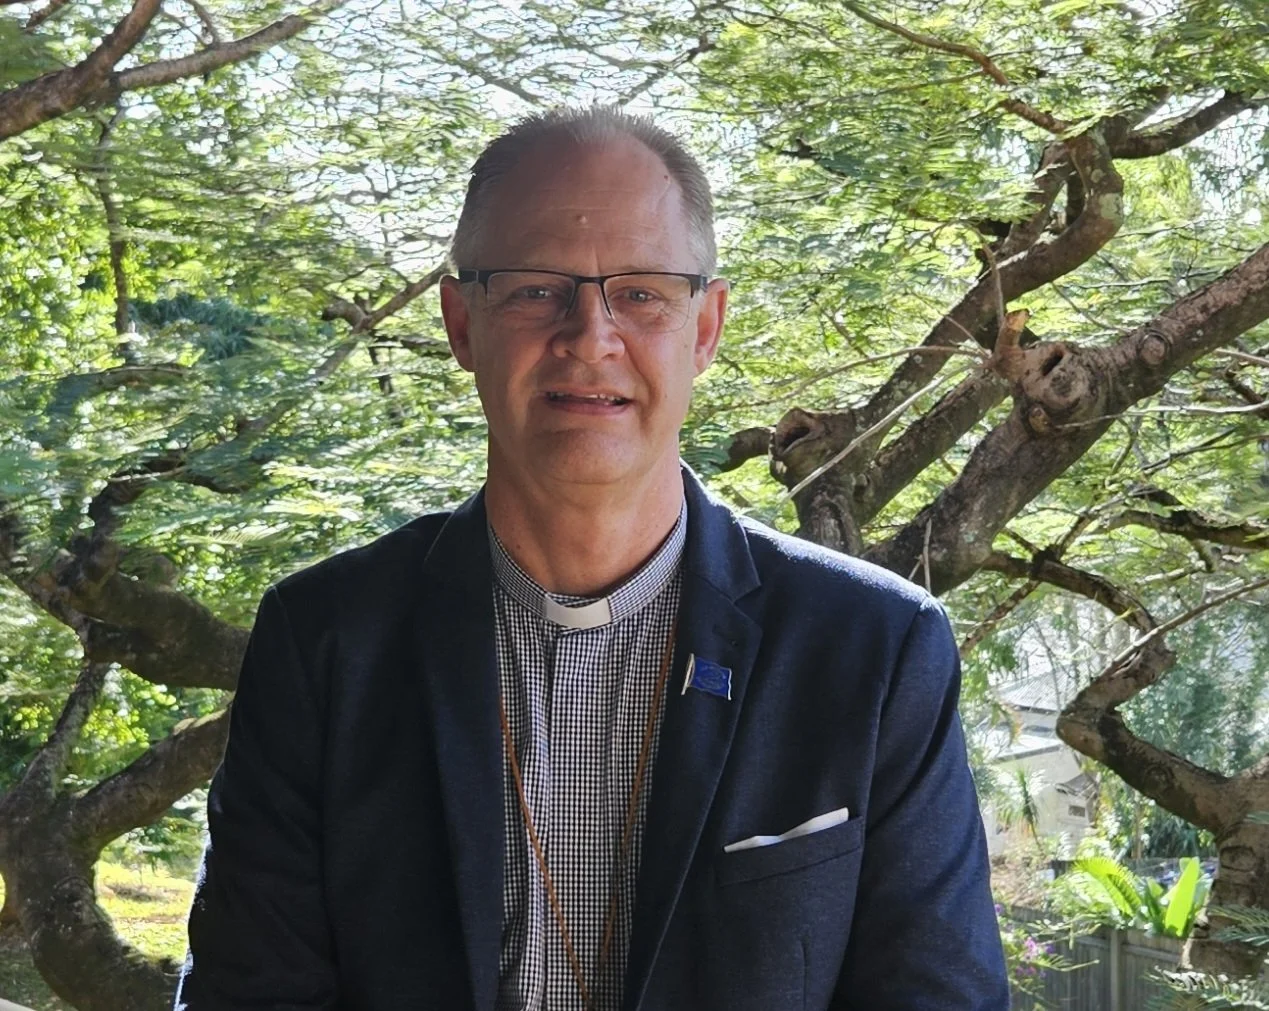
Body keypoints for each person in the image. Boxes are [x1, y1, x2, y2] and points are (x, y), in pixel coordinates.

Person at [175, 106, 1009, 1011]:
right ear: (461, 322)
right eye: (536, 290)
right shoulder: (326, 639)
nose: (589, 336)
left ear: (704, 327)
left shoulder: (872, 648)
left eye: (642, 293)